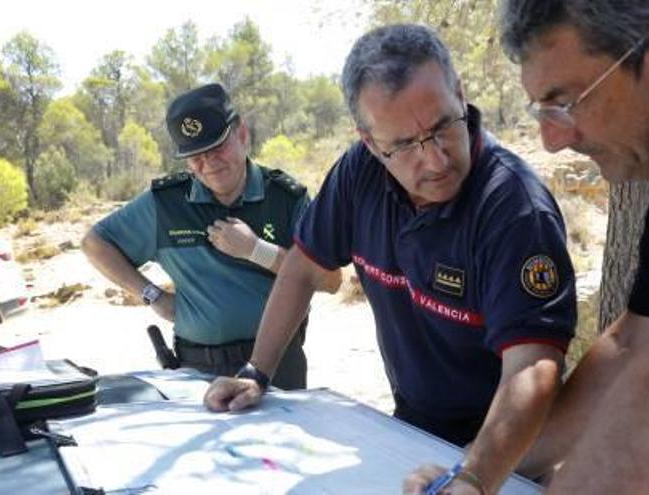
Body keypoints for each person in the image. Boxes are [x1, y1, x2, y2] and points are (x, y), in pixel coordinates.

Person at [204, 24, 577, 495]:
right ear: (370, 140)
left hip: (510, 452)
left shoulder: (515, 208)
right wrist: (256, 372)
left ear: (460, 95)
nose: (436, 160)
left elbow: (532, 368)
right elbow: (301, 267)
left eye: (443, 126)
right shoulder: (358, 173)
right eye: (402, 145)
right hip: (409, 429)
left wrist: (472, 477)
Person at [430, 2, 649, 494]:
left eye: (567, 102)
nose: (551, 140)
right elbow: (630, 347)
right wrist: (474, 475)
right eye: (542, 110)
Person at [82, 83, 340, 390]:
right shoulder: (166, 204)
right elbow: (95, 243)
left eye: (217, 148)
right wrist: (152, 295)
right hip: (197, 368)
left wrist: (257, 250)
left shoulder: (286, 199)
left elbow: (330, 281)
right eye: (196, 157)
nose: (210, 165)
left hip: (278, 364)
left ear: (242, 135)